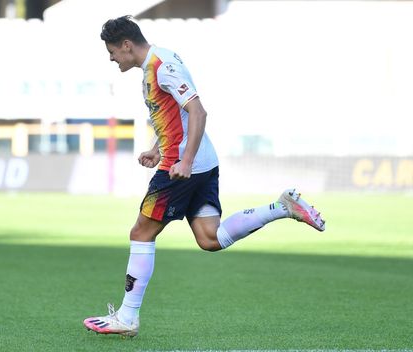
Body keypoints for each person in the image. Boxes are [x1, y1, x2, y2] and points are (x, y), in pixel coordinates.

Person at [83, 15, 325, 337]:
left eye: (112, 51)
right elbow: (176, 114)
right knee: (210, 239)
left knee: (141, 233)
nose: (111, 58)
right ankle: (282, 207)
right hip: (198, 162)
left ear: (127, 45)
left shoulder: (163, 66)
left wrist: (184, 160)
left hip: (182, 168)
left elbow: (198, 111)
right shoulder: (159, 62)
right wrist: (157, 147)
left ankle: (127, 318)